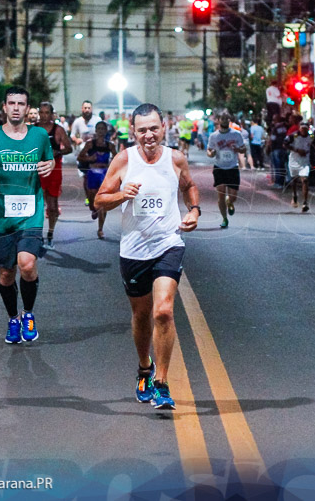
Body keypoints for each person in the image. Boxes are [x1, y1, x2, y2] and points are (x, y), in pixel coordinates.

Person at [93, 103, 200, 410]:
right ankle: (144, 366)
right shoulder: (124, 160)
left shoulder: (175, 158)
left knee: (164, 311)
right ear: (133, 131)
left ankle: (162, 383)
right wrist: (121, 195)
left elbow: (189, 186)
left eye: (154, 128)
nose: (149, 135)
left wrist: (194, 210)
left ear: (163, 127)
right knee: (142, 316)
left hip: (168, 244)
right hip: (134, 251)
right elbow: (100, 200)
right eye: (142, 130)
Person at [0, 86, 54, 344]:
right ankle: (13, 319)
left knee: (27, 264)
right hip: (0, 215)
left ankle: (28, 314)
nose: (16, 107)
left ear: (27, 109)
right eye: (12, 103)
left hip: (31, 211)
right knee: (6, 274)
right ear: (4, 107)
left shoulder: (40, 136)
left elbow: (48, 161)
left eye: (21, 103)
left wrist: (49, 165)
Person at [36, 101, 73, 248]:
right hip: (37, 169)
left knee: (52, 205)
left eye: (47, 113)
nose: (44, 116)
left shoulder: (58, 130)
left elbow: (69, 148)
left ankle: (50, 233)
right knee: (37, 204)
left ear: (52, 114)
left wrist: (58, 152)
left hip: (54, 169)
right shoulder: (33, 129)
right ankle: (36, 234)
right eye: (42, 112)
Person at [206, 112, 246, 229]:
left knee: (233, 196)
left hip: (232, 167)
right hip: (219, 167)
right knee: (221, 194)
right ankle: (224, 218)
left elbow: (243, 149)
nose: (224, 120)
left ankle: (230, 202)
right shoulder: (214, 136)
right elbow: (209, 151)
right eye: (222, 118)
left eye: (226, 118)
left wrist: (239, 149)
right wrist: (211, 153)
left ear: (229, 120)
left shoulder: (236, 134)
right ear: (218, 120)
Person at [78, 120, 116, 239]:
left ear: (106, 131)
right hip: (92, 173)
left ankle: (100, 229)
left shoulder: (110, 145)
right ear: (96, 131)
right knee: (92, 199)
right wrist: (90, 158)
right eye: (98, 129)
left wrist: (111, 164)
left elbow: (118, 158)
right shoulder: (90, 144)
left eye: (103, 129)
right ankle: (92, 209)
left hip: (104, 174)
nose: (100, 131)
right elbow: (80, 156)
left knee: (103, 202)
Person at [285, 121, 315, 212]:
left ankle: (305, 202)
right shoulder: (293, 136)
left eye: (306, 128)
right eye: (302, 128)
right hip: (294, 161)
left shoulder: (311, 137)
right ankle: (294, 196)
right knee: (294, 180)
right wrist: (297, 150)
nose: (304, 130)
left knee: (305, 179)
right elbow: (285, 144)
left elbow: (314, 145)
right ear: (299, 128)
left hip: (305, 162)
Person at [266, 115, 289, 187]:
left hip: (276, 148)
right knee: (282, 166)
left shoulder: (275, 128)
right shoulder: (285, 127)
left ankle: (278, 182)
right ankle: (283, 181)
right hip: (284, 148)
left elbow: (272, 139)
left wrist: (269, 147)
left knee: (277, 166)